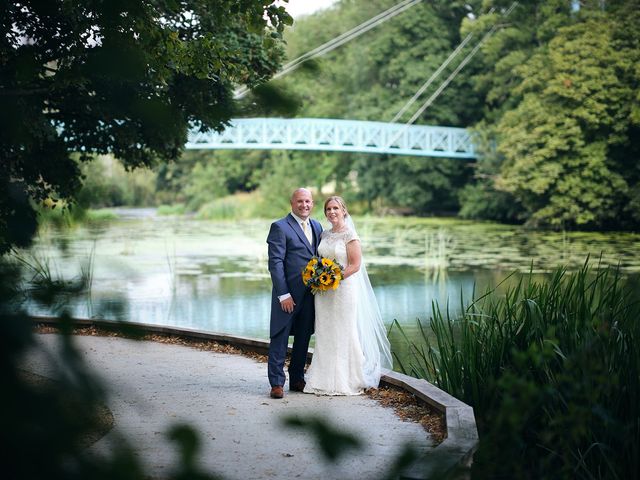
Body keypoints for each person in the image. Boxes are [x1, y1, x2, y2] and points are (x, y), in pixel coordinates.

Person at [304, 196, 392, 395]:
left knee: (345, 331)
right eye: (328, 209)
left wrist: (332, 277)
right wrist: (320, 278)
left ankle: (348, 380)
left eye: (336, 208)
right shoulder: (324, 234)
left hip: (344, 290)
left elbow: (355, 265)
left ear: (344, 211)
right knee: (325, 332)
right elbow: (320, 260)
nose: (332, 212)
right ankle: (322, 380)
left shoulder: (350, 235)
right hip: (323, 293)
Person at [266, 188, 323, 399]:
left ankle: (297, 378)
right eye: (300, 201)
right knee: (280, 337)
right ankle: (276, 383)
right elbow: (275, 263)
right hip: (287, 295)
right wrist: (283, 294)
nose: (304, 205)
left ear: (312, 203)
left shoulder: (317, 226)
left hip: (310, 295)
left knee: (303, 337)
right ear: (292, 203)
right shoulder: (280, 227)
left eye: (308, 201)